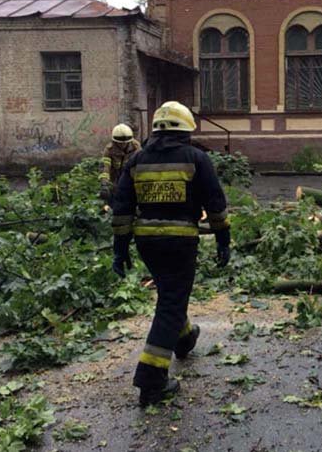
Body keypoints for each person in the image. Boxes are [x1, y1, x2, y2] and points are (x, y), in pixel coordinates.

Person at [110, 101, 231, 406]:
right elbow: (215, 204)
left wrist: (119, 250)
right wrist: (223, 241)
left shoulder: (136, 161)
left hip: (147, 243)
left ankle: (184, 338)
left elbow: (121, 208)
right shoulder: (196, 158)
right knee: (172, 303)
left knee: (169, 296)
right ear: (186, 129)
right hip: (180, 241)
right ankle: (151, 382)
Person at [99, 124, 141, 204]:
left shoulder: (136, 147)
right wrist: (104, 184)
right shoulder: (109, 150)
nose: (123, 145)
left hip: (132, 183)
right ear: (115, 141)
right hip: (116, 183)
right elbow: (105, 167)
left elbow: (140, 166)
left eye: (125, 143)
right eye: (120, 143)